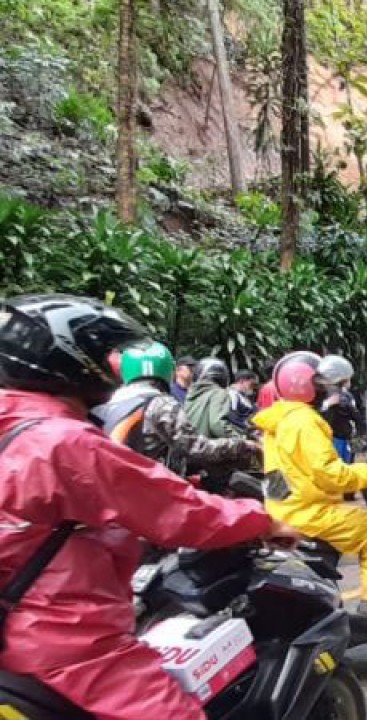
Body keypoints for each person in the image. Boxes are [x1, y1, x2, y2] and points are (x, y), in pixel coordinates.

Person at [0, 294, 300, 720]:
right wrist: (262, 519)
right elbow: (175, 504)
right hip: (67, 637)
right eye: (104, 354)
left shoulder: (25, 425)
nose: (113, 364)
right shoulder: (63, 441)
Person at [255, 352, 367, 618]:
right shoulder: (305, 422)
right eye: (324, 385)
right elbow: (330, 475)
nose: (329, 391)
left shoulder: (277, 421)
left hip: (284, 509)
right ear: (307, 387)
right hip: (309, 512)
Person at [95, 342, 257, 476]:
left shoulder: (108, 404)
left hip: (114, 482)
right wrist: (242, 445)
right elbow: (198, 448)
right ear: (167, 369)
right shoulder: (161, 404)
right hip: (150, 487)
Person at [184, 357, 244, 440]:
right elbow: (217, 424)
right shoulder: (218, 393)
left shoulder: (191, 394)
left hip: (192, 447)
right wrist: (240, 440)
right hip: (209, 448)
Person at [319, 360, 359, 463]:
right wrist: (327, 404)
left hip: (343, 436)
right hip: (335, 437)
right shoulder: (326, 396)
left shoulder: (346, 395)